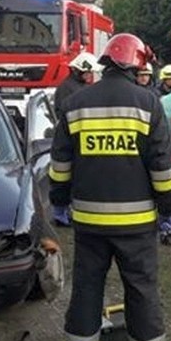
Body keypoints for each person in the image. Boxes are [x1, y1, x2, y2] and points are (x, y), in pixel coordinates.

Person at [48, 32, 171, 341]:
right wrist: (169, 210)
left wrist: (59, 201)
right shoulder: (148, 103)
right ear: (137, 64)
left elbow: (60, 165)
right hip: (137, 227)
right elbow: (162, 169)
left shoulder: (76, 103)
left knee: (86, 291)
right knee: (142, 293)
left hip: (89, 224)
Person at [52, 51, 104, 226]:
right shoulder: (68, 89)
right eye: (88, 73)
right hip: (74, 140)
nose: (91, 76)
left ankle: (67, 210)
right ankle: (64, 211)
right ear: (78, 71)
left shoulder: (77, 87)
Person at [54, 51, 103, 121]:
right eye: (88, 72)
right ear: (77, 70)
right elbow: (63, 114)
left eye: (91, 72)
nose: (90, 75)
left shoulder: (82, 85)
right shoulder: (66, 88)